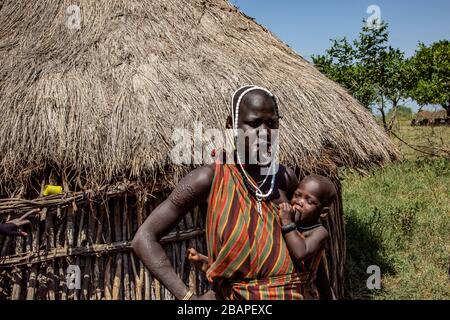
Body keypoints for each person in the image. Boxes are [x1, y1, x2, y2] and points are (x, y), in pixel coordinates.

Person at [132, 85, 302, 300]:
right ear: (231, 125)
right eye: (254, 123)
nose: (265, 132)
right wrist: (188, 299)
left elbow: (309, 242)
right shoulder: (209, 178)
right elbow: (144, 238)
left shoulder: (284, 178)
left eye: (271, 123)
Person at [187, 174, 337, 300]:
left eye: (309, 201)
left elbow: (300, 252)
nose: (299, 202)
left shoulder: (319, 232)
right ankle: (213, 266)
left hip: (296, 293)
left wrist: (287, 222)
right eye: (297, 195)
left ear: (323, 212)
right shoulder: (280, 222)